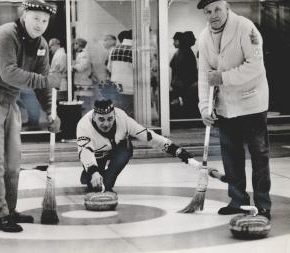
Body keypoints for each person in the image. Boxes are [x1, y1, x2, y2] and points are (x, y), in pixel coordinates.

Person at [0, 0, 62, 232]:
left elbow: (42, 85)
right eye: (36, 18)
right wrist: (45, 80)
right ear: (25, 15)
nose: (40, 24)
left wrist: (50, 112)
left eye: (45, 20)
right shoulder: (5, 34)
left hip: (9, 101)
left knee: (12, 162)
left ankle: (10, 210)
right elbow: (9, 74)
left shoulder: (40, 44)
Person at [196, 0, 271, 220]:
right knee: (231, 156)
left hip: (252, 104)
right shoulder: (203, 37)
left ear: (227, 8)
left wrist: (224, 77)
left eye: (217, 9)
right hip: (225, 107)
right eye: (208, 11)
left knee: (259, 155)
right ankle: (238, 200)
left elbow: (256, 65)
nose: (213, 15)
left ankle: (263, 204)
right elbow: (203, 75)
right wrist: (205, 107)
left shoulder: (246, 28)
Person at [77, 99, 213, 193]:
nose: (106, 124)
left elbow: (150, 137)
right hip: (95, 155)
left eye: (110, 118)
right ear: (94, 116)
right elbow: (85, 151)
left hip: (117, 149)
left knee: (124, 152)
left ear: (114, 115)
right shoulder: (84, 126)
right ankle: (90, 174)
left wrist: (180, 152)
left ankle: (107, 183)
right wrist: (93, 171)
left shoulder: (122, 118)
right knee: (93, 183)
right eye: (101, 119)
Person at [170, 31, 198, 118]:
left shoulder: (183, 53)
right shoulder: (184, 52)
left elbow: (184, 73)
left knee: (183, 110)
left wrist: (181, 95)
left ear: (179, 41)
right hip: (183, 87)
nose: (173, 43)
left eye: (175, 40)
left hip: (184, 88)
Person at [107, 30, 134, 117]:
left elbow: (109, 68)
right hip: (131, 86)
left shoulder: (114, 49)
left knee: (118, 112)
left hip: (116, 84)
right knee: (130, 112)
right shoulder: (135, 50)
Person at [72, 38, 93, 114]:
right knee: (81, 103)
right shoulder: (81, 54)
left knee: (85, 104)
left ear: (79, 45)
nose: (74, 46)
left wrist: (71, 67)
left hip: (84, 82)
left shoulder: (84, 54)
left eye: (75, 44)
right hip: (80, 82)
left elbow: (81, 67)